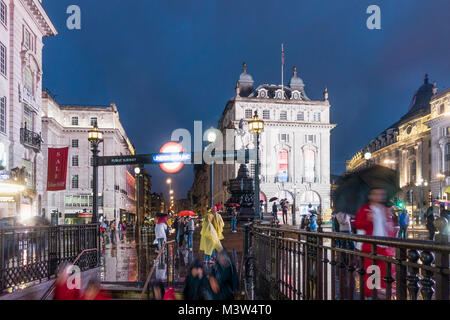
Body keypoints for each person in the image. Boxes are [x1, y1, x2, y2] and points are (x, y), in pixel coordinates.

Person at [355, 188, 396, 298]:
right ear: (370, 196)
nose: (379, 196)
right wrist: (367, 220)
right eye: (376, 194)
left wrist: (389, 217)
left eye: (382, 194)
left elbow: (391, 229)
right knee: (372, 277)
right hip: (370, 248)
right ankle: (370, 296)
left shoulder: (385, 209)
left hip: (384, 248)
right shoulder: (365, 209)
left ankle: (381, 295)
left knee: (384, 277)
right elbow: (358, 224)